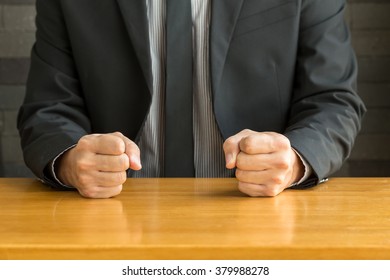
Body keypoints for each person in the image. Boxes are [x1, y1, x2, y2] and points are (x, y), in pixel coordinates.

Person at [18, 0, 365, 199]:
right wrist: (70, 163)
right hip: (111, 218)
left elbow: (332, 100)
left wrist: (294, 160)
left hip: (259, 215)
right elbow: (48, 107)